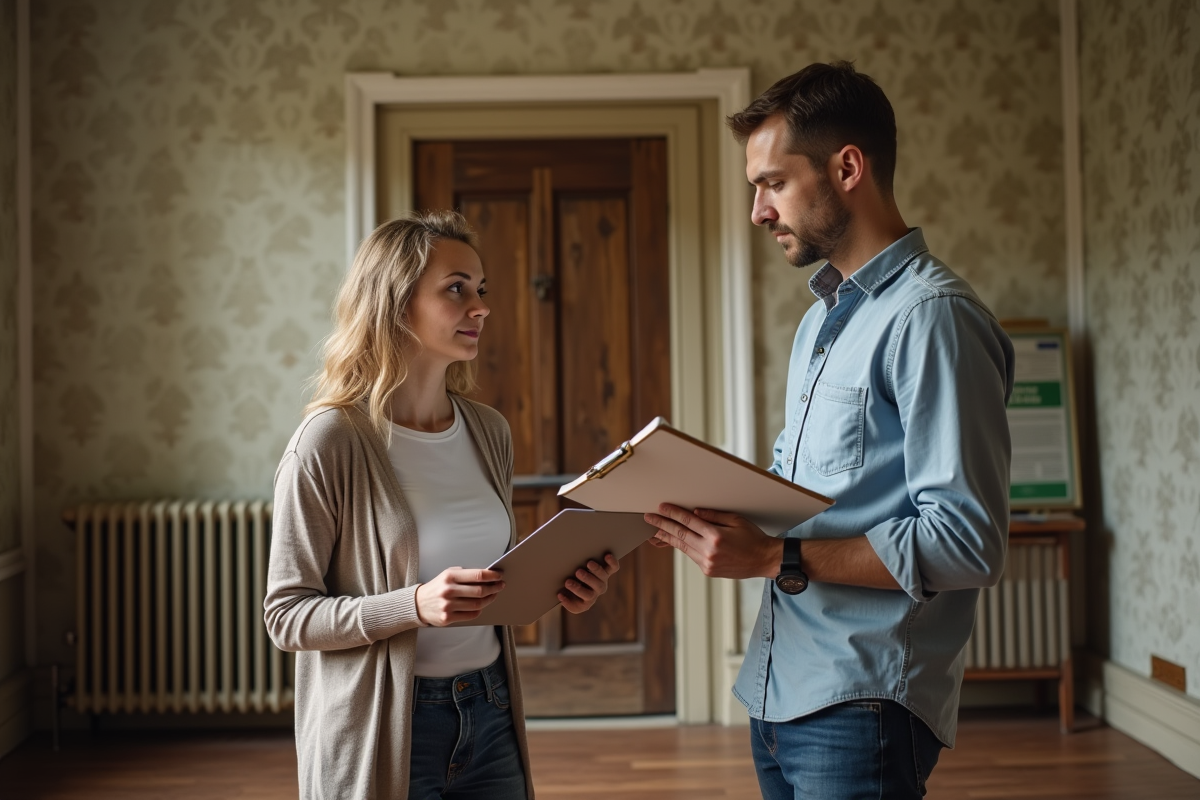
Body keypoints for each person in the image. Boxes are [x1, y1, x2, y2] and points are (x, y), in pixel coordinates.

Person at [645, 62, 1015, 799]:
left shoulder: (931, 318)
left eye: (773, 182)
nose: (758, 211)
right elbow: (812, 497)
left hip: (863, 703)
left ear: (847, 167)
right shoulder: (820, 320)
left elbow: (969, 543)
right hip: (779, 687)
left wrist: (775, 554)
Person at [264, 210, 619, 800]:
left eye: (481, 290)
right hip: (387, 724)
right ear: (395, 302)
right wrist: (414, 605)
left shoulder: (488, 430)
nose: (480, 306)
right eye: (456, 289)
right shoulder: (331, 440)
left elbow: (492, 589)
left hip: (489, 706)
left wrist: (560, 585)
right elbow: (287, 617)